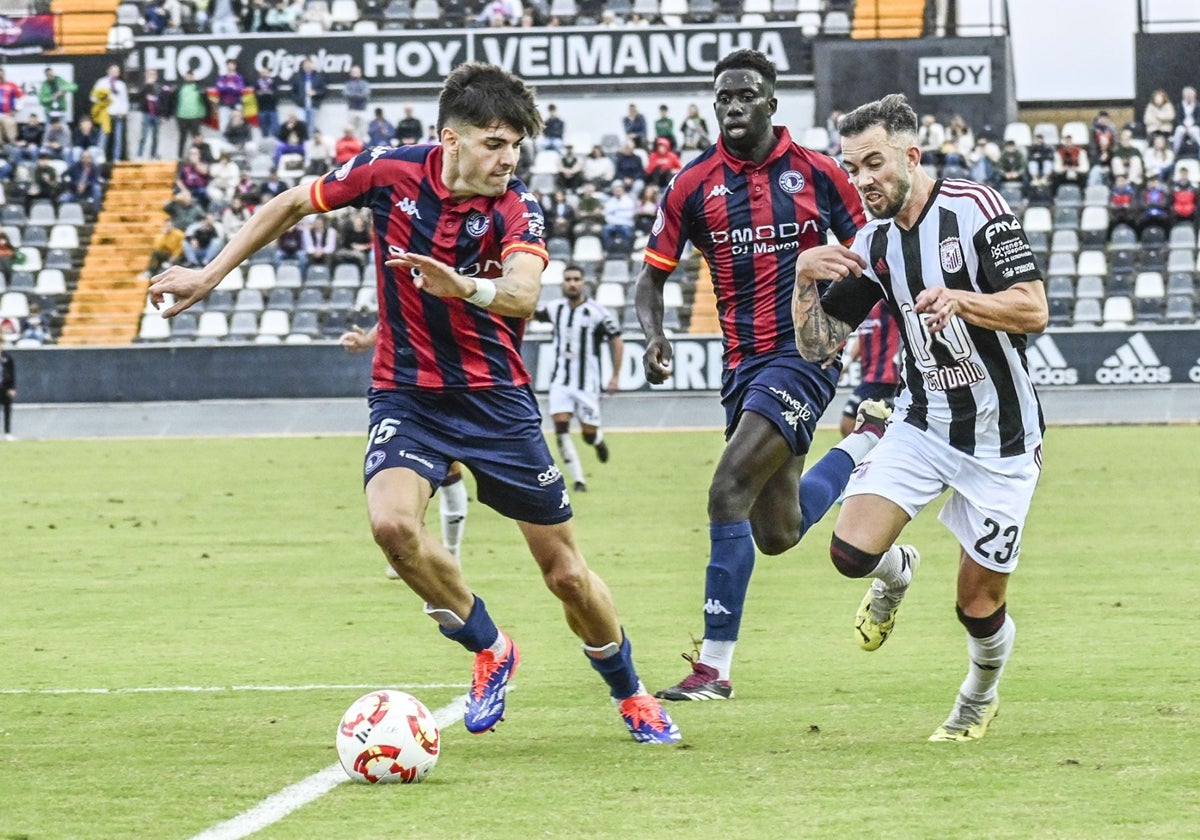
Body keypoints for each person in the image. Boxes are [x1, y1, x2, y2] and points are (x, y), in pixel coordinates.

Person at [147, 62, 681, 744]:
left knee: (567, 575)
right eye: (494, 143)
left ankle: (630, 692)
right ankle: (491, 646)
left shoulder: (518, 208)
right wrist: (209, 275)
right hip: (407, 392)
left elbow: (522, 293)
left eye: (515, 146)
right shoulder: (388, 173)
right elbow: (290, 203)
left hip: (496, 400)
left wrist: (462, 286)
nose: (507, 159)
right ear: (450, 141)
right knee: (392, 528)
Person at [793, 92, 1047, 742]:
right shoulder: (874, 242)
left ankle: (976, 697)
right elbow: (821, 344)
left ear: (911, 154)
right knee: (849, 552)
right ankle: (895, 572)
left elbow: (1033, 309)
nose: (863, 180)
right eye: (852, 168)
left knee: (977, 604)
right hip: (923, 423)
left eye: (873, 162)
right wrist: (802, 278)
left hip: (1003, 443)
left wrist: (964, 300)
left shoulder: (976, 210)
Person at [634, 49, 884, 701]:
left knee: (726, 491)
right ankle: (862, 448)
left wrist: (837, 328)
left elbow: (877, 249)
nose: (733, 106)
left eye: (745, 95)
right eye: (723, 98)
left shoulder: (818, 173)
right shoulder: (692, 185)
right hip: (743, 366)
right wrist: (655, 333)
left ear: (772, 104)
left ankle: (713, 669)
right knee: (777, 532)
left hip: (802, 359)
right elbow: (651, 277)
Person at [340, 322, 473, 573]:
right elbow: (392, 316)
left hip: (449, 388)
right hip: (402, 394)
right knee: (399, 471)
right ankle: (407, 549)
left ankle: (451, 553)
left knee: (450, 470)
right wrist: (368, 340)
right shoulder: (404, 294)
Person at [534, 265, 624, 493]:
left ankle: (597, 440)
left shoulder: (597, 312)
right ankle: (579, 480)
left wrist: (615, 376)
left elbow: (617, 340)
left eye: (576, 279)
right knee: (561, 428)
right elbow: (527, 312)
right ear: (562, 283)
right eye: (568, 279)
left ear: (583, 283)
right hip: (560, 382)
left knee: (588, 433)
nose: (572, 283)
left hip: (587, 384)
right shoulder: (555, 309)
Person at [838, 300, 902, 437]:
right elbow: (861, 339)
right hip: (870, 376)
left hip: (885, 377)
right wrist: (845, 365)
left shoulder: (886, 303)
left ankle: (859, 456)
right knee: (866, 423)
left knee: (849, 421)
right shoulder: (865, 307)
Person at [91, 64, 131, 162]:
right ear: (108, 71)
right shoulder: (102, 82)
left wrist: (124, 112)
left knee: (118, 138)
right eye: (113, 70)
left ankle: (116, 157)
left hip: (118, 114)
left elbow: (124, 100)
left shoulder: (121, 84)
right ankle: (100, 157)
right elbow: (93, 97)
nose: (115, 73)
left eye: (117, 71)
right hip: (106, 113)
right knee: (103, 136)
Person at [342, 65, 371, 139]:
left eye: (357, 72)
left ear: (360, 73)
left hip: (362, 110)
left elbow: (365, 95)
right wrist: (358, 96)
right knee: (351, 129)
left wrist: (354, 96)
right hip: (352, 110)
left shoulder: (364, 83)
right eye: (353, 72)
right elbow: (346, 94)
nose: (355, 73)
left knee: (363, 130)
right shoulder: (348, 84)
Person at [0, 346, 14, 440]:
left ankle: (7, 433)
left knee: (7, 411)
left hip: (5, 387)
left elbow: (12, 373)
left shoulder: (7, 358)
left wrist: (12, 388)